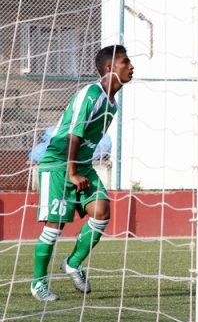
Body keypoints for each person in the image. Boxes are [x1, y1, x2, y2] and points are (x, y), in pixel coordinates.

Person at [31, 45, 133, 301]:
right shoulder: (91, 94)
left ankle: (73, 263)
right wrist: (73, 172)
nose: (131, 67)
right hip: (59, 163)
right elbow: (73, 135)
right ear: (109, 68)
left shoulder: (112, 104)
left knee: (101, 212)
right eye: (125, 62)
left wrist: (80, 168)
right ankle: (38, 283)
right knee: (54, 226)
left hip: (82, 163)